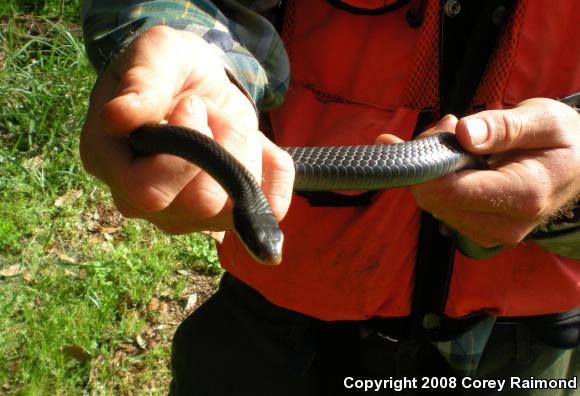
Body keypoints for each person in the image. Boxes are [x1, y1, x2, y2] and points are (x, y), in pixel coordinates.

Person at [80, 0, 580, 394]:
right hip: (282, 324)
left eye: (263, 241)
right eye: (262, 242)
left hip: (525, 343)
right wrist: (190, 44)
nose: (264, 248)